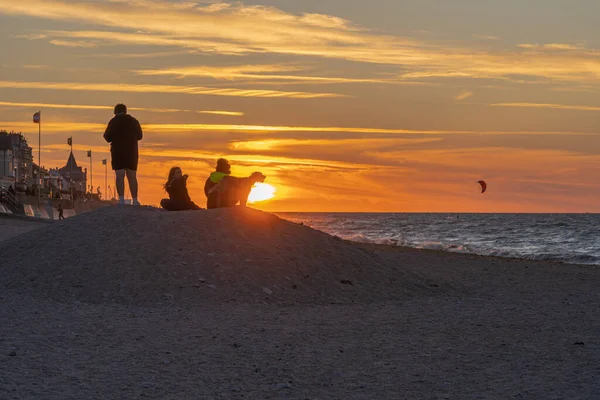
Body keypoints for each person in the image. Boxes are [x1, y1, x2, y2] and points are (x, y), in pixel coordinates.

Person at [103, 103, 143, 206]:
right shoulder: (134, 121)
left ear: (115, 112)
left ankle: (121, 200)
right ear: (126, 111)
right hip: (131, 152)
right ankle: (135, 200)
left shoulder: (113, 122)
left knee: (120, 175)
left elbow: (107, 137)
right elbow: (140, 136)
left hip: (117, 152)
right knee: (132, 176)